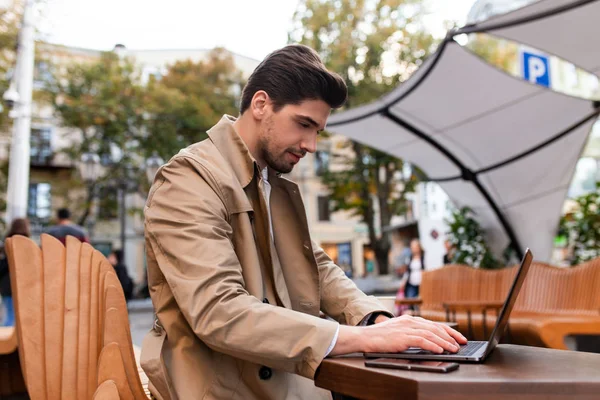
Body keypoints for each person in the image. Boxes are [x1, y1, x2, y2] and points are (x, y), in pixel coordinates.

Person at [142, 44, 466, 400]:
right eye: (303, 124)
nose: (311, 145)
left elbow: (317, 268)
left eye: (318, 132)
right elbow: (219, 311)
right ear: (261, 104)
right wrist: (358, 338)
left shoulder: (272, 183)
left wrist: (375, 320)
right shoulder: (188, 179)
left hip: (290, 382)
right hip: (221, 389)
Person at [0, 218, 31, 326]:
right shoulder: (28, 243)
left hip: (6, 284)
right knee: (18, 317)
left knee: (9, 314)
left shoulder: (7, 241)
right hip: (23, 284)